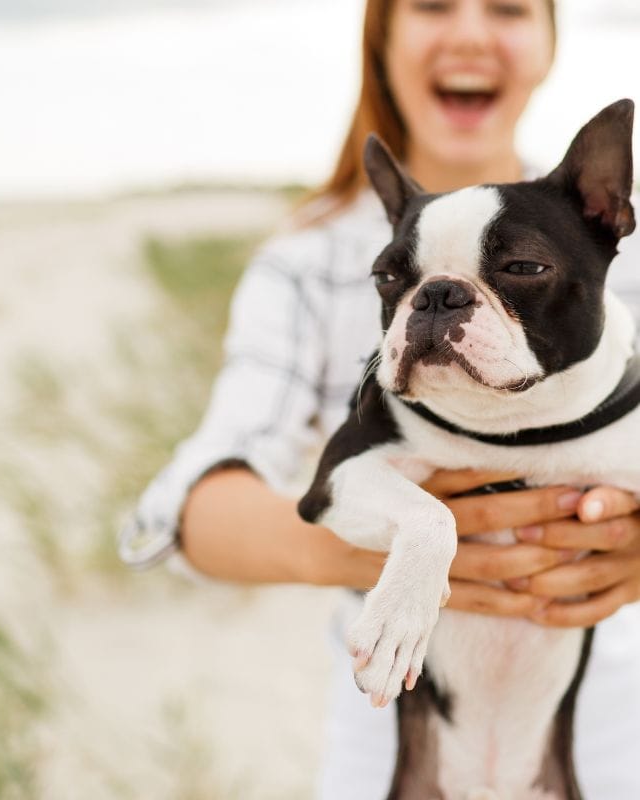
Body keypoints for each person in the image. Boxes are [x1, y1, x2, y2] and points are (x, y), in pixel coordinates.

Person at [120, 0, 640, 796]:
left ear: (548, 42)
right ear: (383, 41)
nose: (470, 31)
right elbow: (174, 513)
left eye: (506, 7)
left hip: (607, 735)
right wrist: (395, 549)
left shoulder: (600, 252)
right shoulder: (305, 264)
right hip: (389, 737)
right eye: (433, 4)